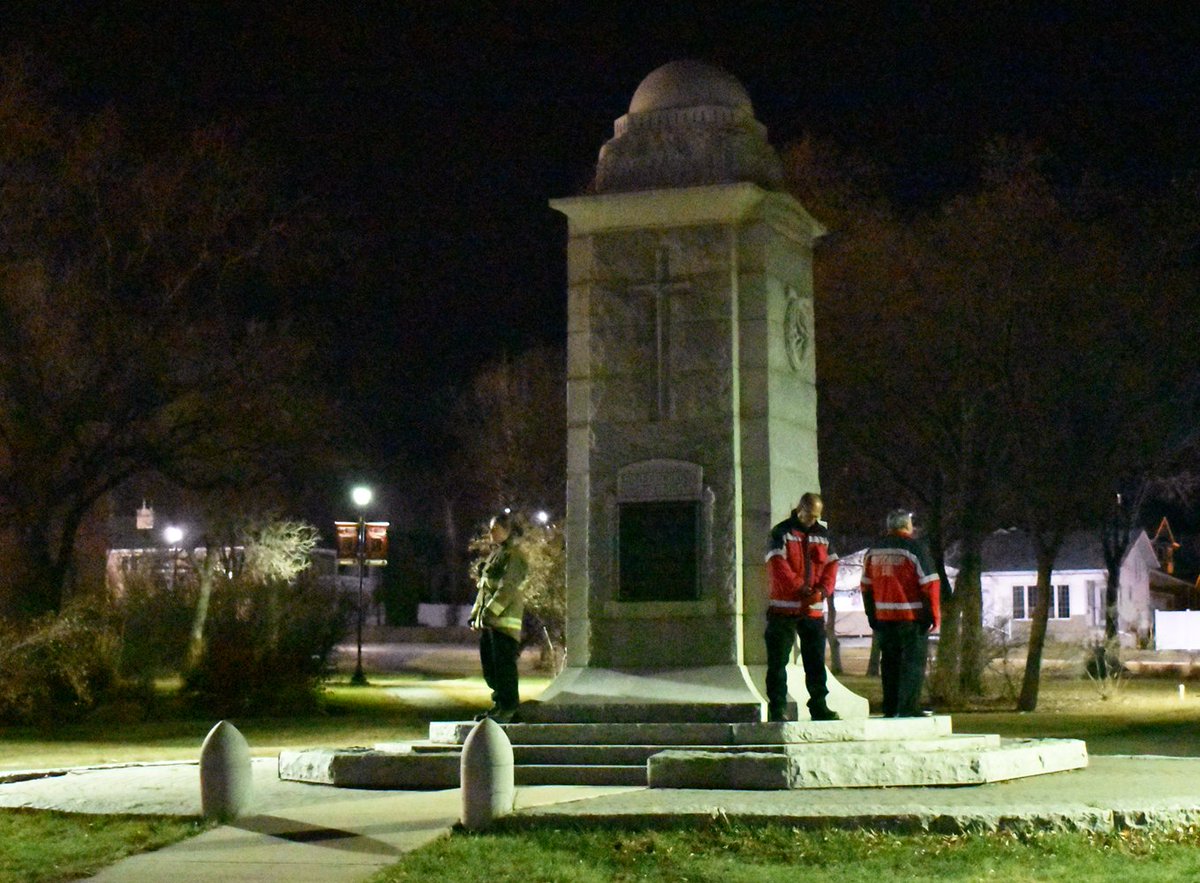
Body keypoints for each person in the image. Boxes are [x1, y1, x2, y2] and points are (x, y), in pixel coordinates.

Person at [764, 492, 841, 722]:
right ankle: (777, 708)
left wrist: (822, 591)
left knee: (815, 662)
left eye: (817, 516)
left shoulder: (823, 535)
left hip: (812, 610)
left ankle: (819, 706)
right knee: (778, 663)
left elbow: (832, 565)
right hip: (783, 609)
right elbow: (778, 565)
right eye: (810, 515)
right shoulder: (781, 532)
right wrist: (801, 588)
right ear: (800, 510)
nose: (813, 520)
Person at [860, 509, 941, 718]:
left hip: (883, 619)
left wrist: (871, 614)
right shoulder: (915, 549)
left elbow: (866, 587)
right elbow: (930, 584)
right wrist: (934, 615)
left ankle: (890, 707)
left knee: (889, 665)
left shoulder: (873, 551)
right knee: (913, 664)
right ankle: (908, 708)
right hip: (911, 618)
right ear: (907, 526)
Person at [469, 510, 528, 724]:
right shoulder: (496, 554)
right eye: (491, 529)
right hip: (490, 623)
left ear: (507, 530)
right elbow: (485, 588)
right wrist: (476, 615)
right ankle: (499, 704)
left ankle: (509, 707)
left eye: (496, 528)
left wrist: (489, 612)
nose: (491, 533)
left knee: (504, 667)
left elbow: (508, 588)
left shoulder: (514, 556)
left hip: (504, 623)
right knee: (491, 668)